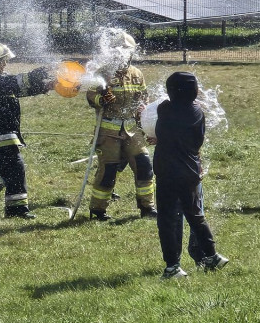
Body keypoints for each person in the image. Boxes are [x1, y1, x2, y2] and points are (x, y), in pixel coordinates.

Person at [152, 72, 228, 278]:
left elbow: (155, 127)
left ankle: (172, 267)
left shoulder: (164, 109)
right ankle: (212, 255)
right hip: (191, 170)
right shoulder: (197, 111)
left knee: (167, 219)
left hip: (168, 172)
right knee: (195, 215)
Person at [0, 41, 53, 219]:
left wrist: (46, 86)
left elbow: (16, 88)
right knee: (15, 167)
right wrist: (35, 75)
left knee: (7, 168)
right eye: (2, 61)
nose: (5, 64)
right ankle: (16, 210)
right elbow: (13, 83)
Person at [86, 31, 157, 221]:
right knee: (108, 170)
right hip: (108, 132)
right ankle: (98, 210)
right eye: (119, 52)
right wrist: (103, 99)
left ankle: (147, 207)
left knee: (144, 165)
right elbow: (91, 96)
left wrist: (143, 107)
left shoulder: (137, 73)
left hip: (133, 130)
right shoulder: (103, 73)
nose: (123, 55)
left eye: (127, 52)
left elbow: (144, 96)